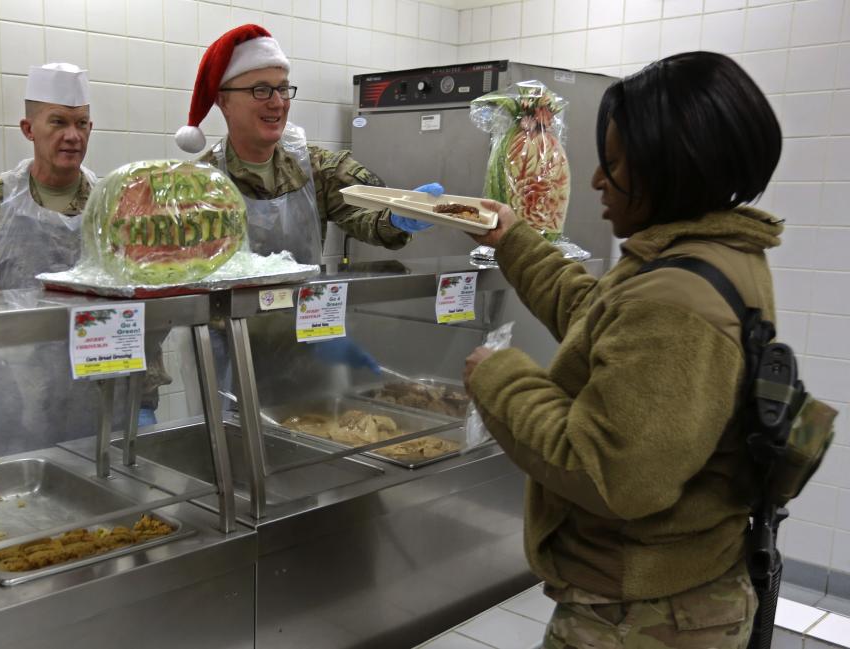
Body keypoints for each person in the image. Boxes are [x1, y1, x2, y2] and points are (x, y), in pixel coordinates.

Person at [463, 51, 782, 649]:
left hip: (645, 616)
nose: (594, 181)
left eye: (613, 164)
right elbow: (600, 321)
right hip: (672, 590)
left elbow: (608, 469)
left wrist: (498, 377)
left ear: (670, 168)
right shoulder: (710, 255)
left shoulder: (677, 299)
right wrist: (513, 237)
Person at [0, 63, 169, 468]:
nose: (73, 135)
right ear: (28, 129)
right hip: (11, 403)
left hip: (100, 395)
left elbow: (141, 311)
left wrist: (146, 395)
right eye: (59, 122)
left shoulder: (114, 209)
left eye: (82, 123)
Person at [173, 24, 439, 387]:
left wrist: (397, 216)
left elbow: (364, 212)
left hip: (308, 343)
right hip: (228, 357)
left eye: (283, 88)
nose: (278, 102)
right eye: (260, 89)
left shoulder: (314, 168)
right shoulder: (198, 186)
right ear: (223, 100)